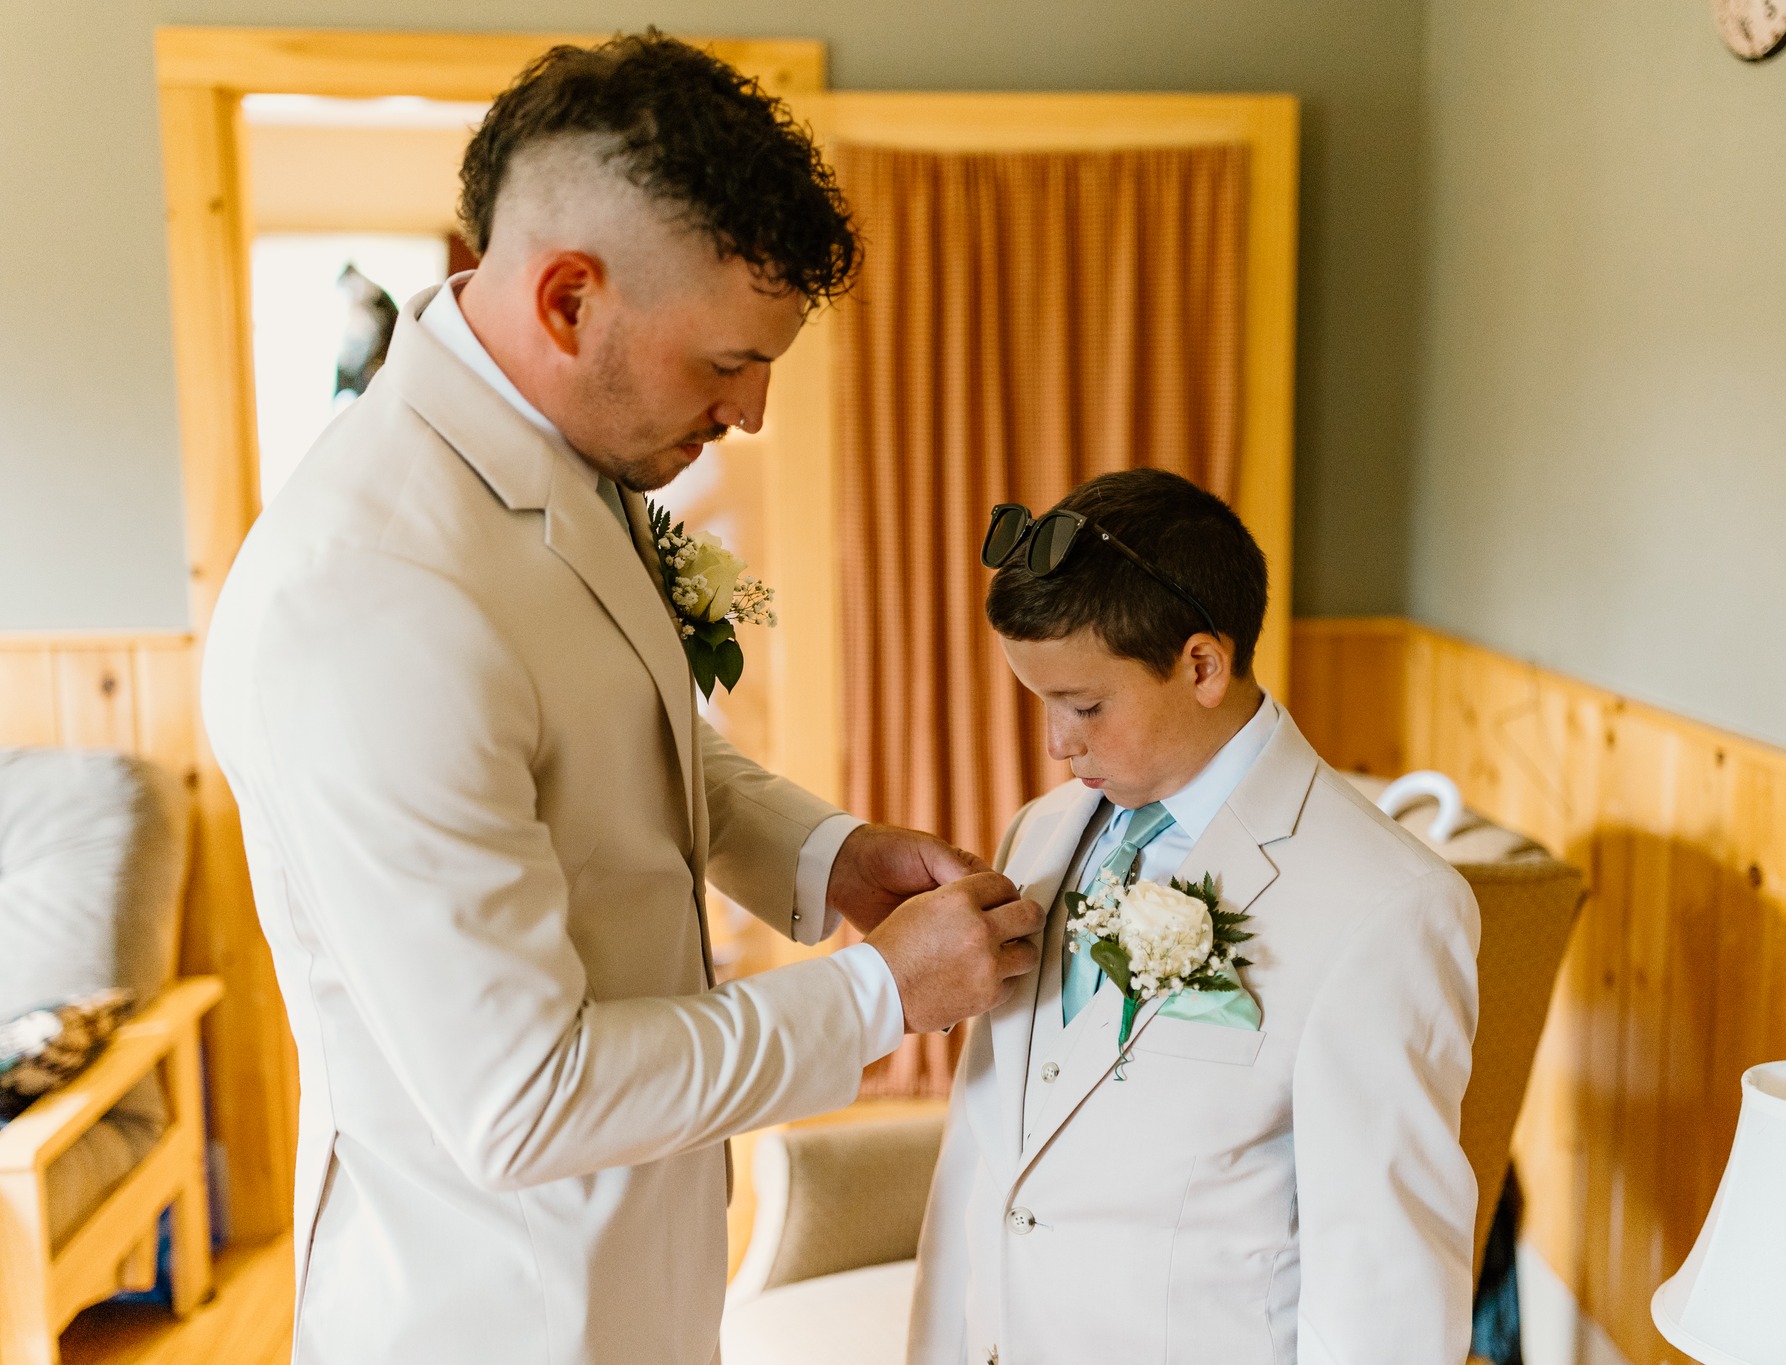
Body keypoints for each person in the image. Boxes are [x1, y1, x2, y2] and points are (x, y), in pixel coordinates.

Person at [202, 34, 1043, 1365]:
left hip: (639, 1266)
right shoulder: (369, 599)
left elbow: (616, 744)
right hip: (493, 1314)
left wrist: (832, 859)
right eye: (724, 363)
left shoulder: (561, 461)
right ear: (566, 302)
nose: (754, 412)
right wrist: (883, 994)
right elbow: (523, 1101)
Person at [908, 469, 1481, 1365]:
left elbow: (1385, 1279)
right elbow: (982, 1159)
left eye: (1085, 704)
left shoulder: (1388, 907)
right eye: (1040, 701)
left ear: (1202, 664)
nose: (1057, 741)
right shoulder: (1040, 830)